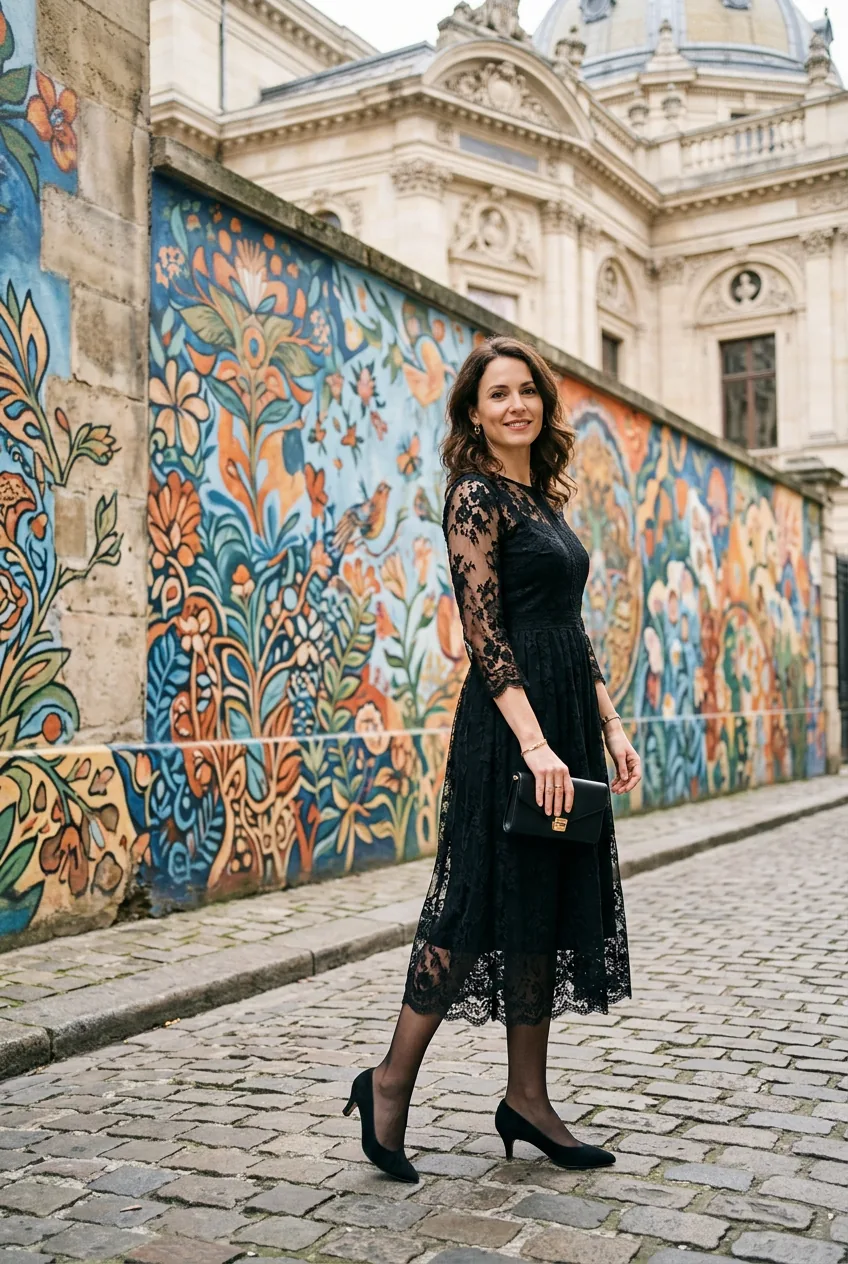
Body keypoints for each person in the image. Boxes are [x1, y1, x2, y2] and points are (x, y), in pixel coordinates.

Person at [343, 335, 641, 1182]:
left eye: (528, 392)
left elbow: (569, 630)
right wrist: (536, 741)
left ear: (543, 405)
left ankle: (527, 1099)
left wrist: (609, 724)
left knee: (539, 907)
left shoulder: (541, 499)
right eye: (497, 393)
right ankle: (390, 1082)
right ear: (474, 412)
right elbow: (486, 634)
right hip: (510, 732)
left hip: (565, 723)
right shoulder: (475, 497)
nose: (516, 404)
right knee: (473, 902)